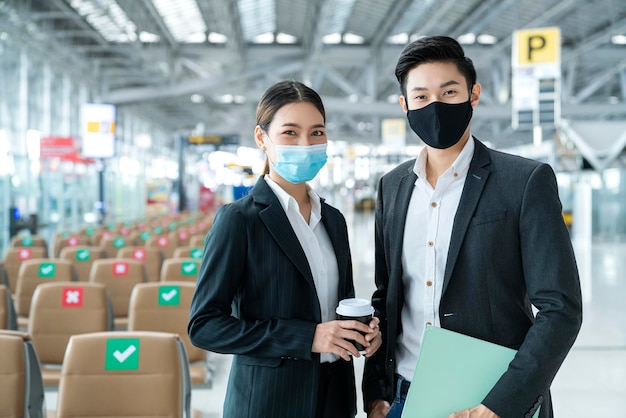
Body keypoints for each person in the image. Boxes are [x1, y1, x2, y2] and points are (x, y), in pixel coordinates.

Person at [362, 36, 583, 418]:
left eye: (449, 92)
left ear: (473, 94)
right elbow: (387, 296)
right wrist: (374, 391)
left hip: (491, 398)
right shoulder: (393, 186)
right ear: (405, 105)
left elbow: (560, 307)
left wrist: (500, 405)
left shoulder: (523, 181)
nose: (435, 106)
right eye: (421, 97)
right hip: (404, 397)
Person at [188, 80, 382, 418]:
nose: (306, 144)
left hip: (335, 400)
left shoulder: (333, 220)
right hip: (268, 402)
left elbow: (342, 306)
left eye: (317, 133)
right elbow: (205, 326)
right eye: (290, 133)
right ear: (262, 138)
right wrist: (307, 338)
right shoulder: (239, 221)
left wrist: (362, 332)